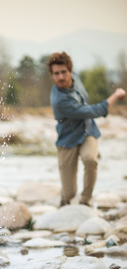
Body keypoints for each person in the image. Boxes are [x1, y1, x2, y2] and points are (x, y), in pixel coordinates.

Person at [47, 51, 126, 207]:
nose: (61, 77)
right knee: (69, 193)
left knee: (90, 159)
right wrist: (116, 95)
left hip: (87, 131)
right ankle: (65, 200)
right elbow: (93, 111)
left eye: (64, 72)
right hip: (67, 139)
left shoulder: (75, 77)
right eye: (56, 74)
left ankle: (85, 201)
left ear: (71, 71)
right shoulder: (60, 101)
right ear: (51, 75)